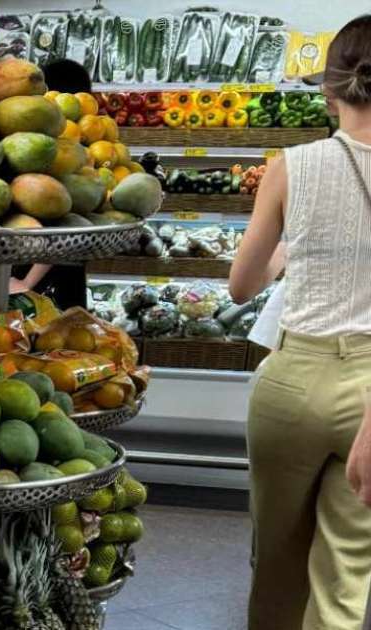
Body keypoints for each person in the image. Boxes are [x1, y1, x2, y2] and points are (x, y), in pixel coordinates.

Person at [229, 14, 371, 630]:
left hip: (293, 376)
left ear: (328, 89)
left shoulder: (292, 166)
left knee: (278, 560)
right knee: (347, 571)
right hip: (369, 391)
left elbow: (242, 284)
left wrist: (289, 254)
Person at [9, 59, 93, 307]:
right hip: (67, 271)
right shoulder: (82, 141)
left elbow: (63, 225)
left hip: (41, 273)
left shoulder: (61, 148)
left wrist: (27, 282)